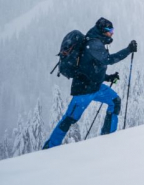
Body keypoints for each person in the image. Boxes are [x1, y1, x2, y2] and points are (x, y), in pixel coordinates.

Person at [43, 18, 137, 149]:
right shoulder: (94, 44)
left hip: (96, 87)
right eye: (110, 31)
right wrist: (128, 50)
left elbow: (92, 69)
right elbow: (108, 60)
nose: (112, 33)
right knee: (69, 119)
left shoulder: (96, 42)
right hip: (83, 91)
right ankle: (49, 148)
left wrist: (108, 78)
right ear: (103, 31)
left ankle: (108, 137)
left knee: (115, 102)